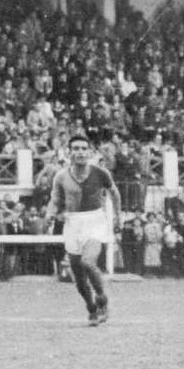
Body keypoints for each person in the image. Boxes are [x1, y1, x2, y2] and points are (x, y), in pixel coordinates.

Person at [44, 134, 122, 326]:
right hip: (73, 223)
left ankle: (102, 298)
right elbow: (55, 199)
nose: (80, 152)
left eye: (83, 148)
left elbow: (114, 193)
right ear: (69, 152)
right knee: (78, 277)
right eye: (76, 148)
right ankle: (91, 307)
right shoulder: (61, 176)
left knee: (88, 261)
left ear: (89, 152)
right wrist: (50, 214)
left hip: (95, 221)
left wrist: (117, 216)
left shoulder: (100, 172)